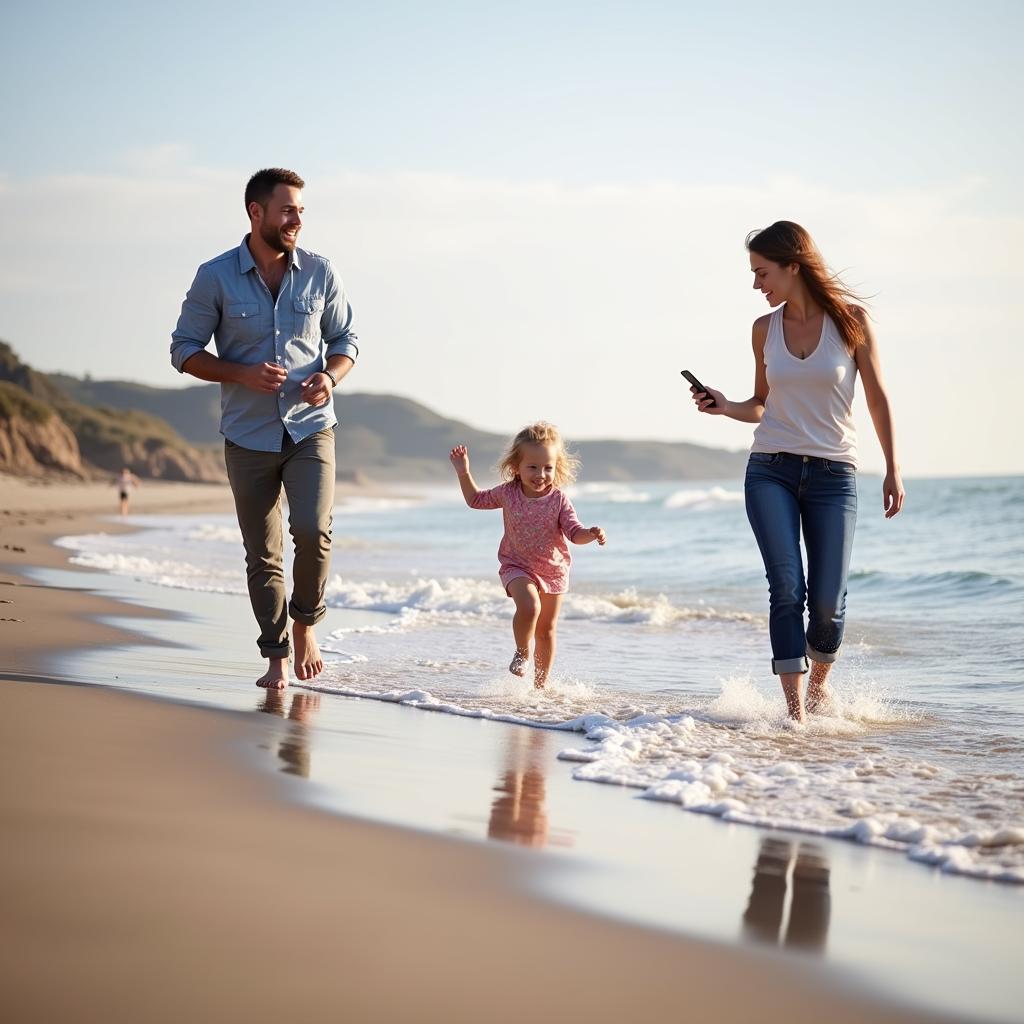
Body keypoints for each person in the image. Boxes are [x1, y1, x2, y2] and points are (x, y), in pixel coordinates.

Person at [690, 221, 904, 722]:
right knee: (786, 586)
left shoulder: (851, 321)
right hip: (771, 470)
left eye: (762, 273)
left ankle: (819, 687)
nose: (756, 284)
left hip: (835, 475)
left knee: (828, 602)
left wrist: (893, 467)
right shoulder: (764, 329)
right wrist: (725, 406)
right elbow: (762, 405)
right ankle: (795, 715)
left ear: (793, 266)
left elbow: (876, 397)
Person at [170, 168, 359, 690]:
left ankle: (306, 627)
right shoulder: (215, 276)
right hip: (247, 436)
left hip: (311, 430)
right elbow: (183, 350)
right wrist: (240, 373)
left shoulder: (321, 272)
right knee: (263, 554)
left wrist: (329, 374)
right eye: (287, 209)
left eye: (300, 210)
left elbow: (346, 340)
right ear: (256, 212)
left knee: (313, 532)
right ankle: (275, 656)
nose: (297, 219)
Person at [449, 422, 606, 689]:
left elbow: (574, 533)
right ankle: (522, 652)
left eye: (548, 468)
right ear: (516, 468)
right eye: (532, 467)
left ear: (557, 468)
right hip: (516, 565)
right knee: (529, 607)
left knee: (546, 631)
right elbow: (475, 500)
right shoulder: (508, 493)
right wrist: (463, 472)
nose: (540, 474)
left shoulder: (558, 500)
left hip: (553, 571)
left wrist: (590, 534)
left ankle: (540, 689)